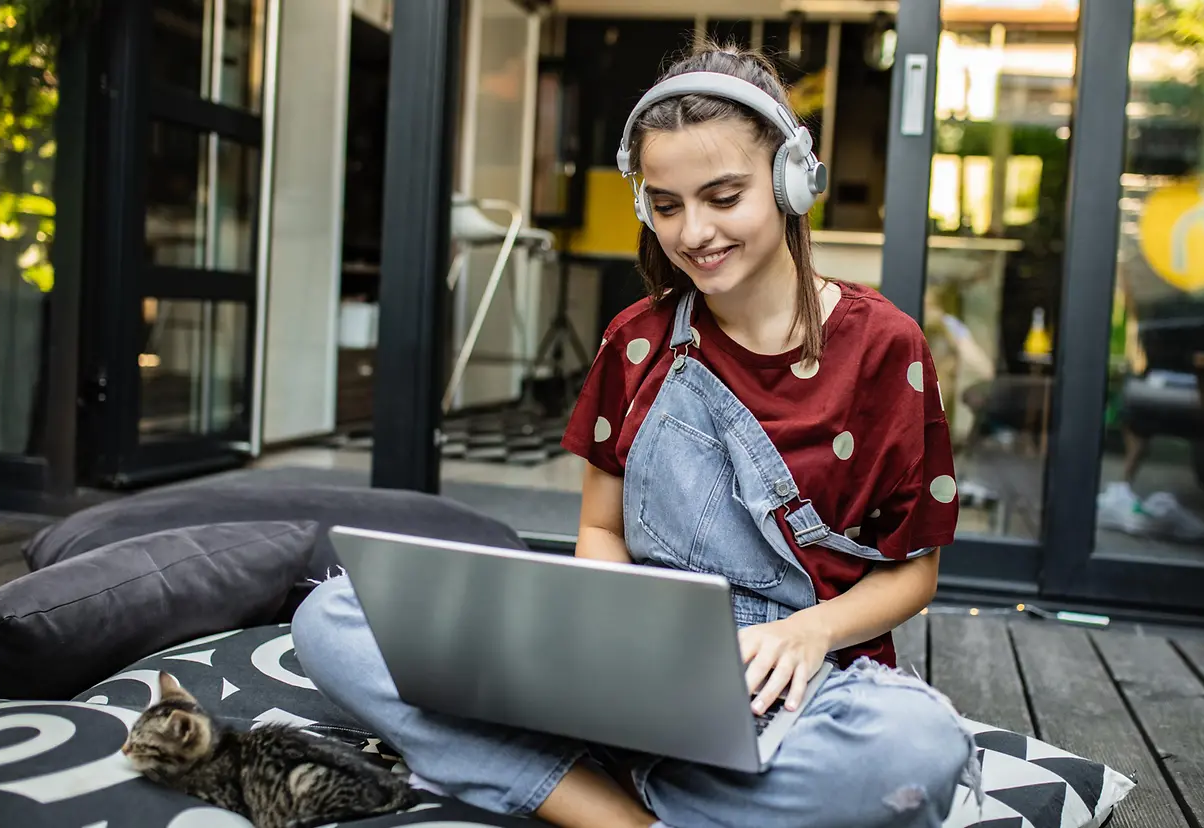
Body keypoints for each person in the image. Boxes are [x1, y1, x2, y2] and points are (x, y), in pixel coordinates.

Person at [292, 43, 978, 828]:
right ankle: (626, 814)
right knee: (334, 620)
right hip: (633, 655)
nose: (695, 233)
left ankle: (565, 780)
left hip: (799, 684)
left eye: (724, 196)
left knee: (913, 749)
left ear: (792, 181)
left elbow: (914, 574)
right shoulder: (637, 340)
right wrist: (608, 647)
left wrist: (810, 632)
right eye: (667, 203)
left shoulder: (887, 348)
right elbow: (599, 527)